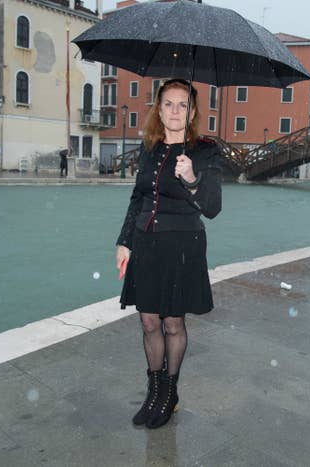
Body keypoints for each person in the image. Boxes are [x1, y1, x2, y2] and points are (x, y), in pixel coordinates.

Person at [115, 79, 222, 429]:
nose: (175, 111)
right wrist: (124, 241)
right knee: (148, 321)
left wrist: (192, 179)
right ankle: (154, 390)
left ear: (192, 112)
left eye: (183, 105)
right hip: (146, 243)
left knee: (173, 322)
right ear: (158, 110)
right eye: (168, 104)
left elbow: (213, 208)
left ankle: (170, 392)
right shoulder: (150, 148)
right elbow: (138, 198)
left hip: (182, 246)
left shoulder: (205, 151)